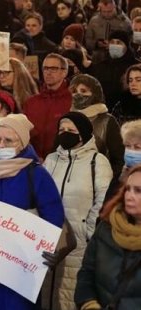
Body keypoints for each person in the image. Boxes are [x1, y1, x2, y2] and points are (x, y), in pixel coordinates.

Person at [0, 114, 65, 309]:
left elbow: (54, 215)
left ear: (22, 143)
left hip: (20, 263)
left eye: (8, 140)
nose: (1, 145)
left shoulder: (36, 174)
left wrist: (49, 246)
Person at [42, 112, 113, 310]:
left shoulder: (97, 161)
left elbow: (103, 200)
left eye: (70, 131)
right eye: (61, 130)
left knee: (71, 293)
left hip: (80, 242)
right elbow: (39, 195)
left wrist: (88, 232)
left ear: (82, 134)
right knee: (48, 292)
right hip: (51, 238)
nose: (65, 134)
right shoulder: (51, 159)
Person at [74, 164, 141, 310]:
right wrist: (89, 304)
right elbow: (87, 272)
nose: (129, 195)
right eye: (127, 189)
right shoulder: (107, 227)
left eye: (138, 191)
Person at [69, 74, 125, 177]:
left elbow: (118, 159)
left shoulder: (107, 121)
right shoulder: (67, 120)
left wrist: (107, 182)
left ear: (95, 94)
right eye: (74, 91)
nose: (77, 95)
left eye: (84, 91)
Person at [24, 53, 72, 159]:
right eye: (45, 68)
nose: (48, 72)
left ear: (64, 72)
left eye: (53, 69)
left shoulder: (72, 102)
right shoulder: (31, 102)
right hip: (34, 161)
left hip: (62, 161)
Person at [91, 30, 137, 108]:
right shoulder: (100, 66)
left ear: (126, 46)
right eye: (112, 42)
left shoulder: (134, 66)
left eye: (119, 42)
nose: (115, 45)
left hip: (128, 108)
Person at [85, 0, 132, 64]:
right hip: (98, 58)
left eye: (109, 11)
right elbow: (88, 39)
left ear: (115, 7)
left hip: (118, 58)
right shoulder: (94, 21)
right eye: (104, 11)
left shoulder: (125, 22)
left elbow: (130, 41)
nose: (106, 14)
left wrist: (114, 45)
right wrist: (96, 44)